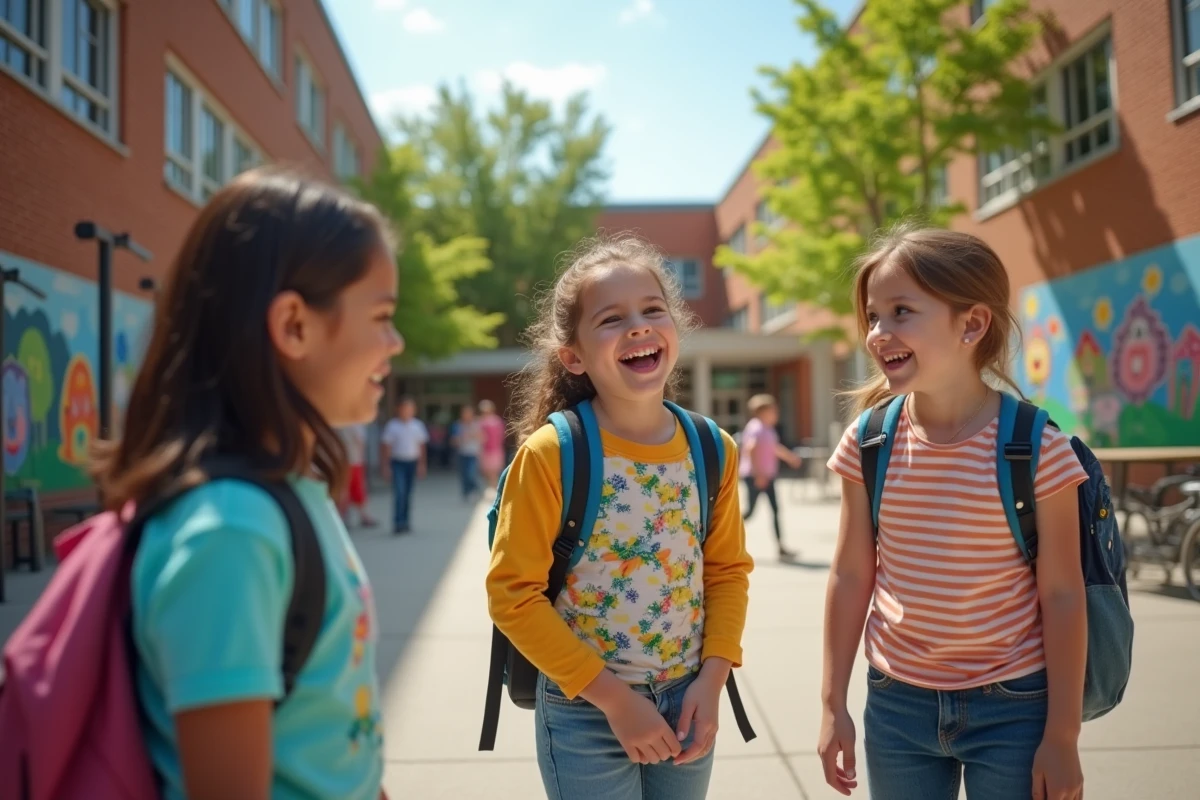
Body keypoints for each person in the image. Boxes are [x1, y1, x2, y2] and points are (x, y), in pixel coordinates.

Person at [89, 168, 401, 800]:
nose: (395, 342)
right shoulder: (231, 528)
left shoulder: (288, 495)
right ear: (293, 326)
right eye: (382, 316)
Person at [818, 225, 1088, 800]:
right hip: (896, 704)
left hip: (1015, 705)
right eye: (872, 316)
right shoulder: (868, 442)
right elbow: (849, 576)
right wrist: (832, 703)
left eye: (900, 312)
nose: (877, 333)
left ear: (971, 323)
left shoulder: (1036, 447)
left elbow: (1063, 593)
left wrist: (1062, 736)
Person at [485, 234, 754, 799]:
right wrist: (614, 700)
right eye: (611, 319)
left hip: (688, 701)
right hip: (586, 711)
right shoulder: (552, 453)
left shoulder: (712, 448)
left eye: (653, 310)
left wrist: (713, 676)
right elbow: (513, 594)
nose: (637, 326)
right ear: (574, 356)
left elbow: (727, 572)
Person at [739, 393, 802, 559]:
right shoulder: (756, 427)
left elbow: (774, 448)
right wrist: (758, 474)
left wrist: (790, 458)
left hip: (767, 476)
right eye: (772, 411)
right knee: (750, 512)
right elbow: (750, 449)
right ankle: (721, 536)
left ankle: (781, 547)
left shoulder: (767, 429)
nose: (776, 414)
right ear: (761, 412)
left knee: (775, 510)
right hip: (757, 476)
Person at [381, 398, 428, 534]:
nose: (406, 412)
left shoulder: (417, 426)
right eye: (404, 409)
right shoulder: (392, 425)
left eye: (409, 409)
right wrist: (385, 466)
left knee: (408, 493)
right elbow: (386, 446)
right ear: (399, 410)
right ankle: (398, 522)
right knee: (399, 492)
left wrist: (422, 464)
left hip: (411, 463)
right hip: (397, 463)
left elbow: (421, 446)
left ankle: (406, 522)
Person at [339, 422, 379, 528]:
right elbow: (360, 441)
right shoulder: (353, 424)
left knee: (349, 489)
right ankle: (361, 516)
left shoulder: (341, 424)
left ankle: (349, 516)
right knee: (354, 489)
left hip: (347, 460)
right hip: (353, 461)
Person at [451, 404, 483, 501]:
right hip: (462, 453)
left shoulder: (477, 425)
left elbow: (483, 438)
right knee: (464, 475)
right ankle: (466, 492)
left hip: (473, 454)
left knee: (471, 474)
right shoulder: (457, 425)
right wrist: (460, 438)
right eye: (465, 413)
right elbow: (453, 441)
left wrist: (473, 435)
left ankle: (474, 489)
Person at [477, 399, 506, 489]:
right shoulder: (497, 421)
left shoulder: (482, 422)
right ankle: (493, 488)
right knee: (492, 472)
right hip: (493, 449)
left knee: (490, 472)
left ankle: (492, 488)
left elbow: (481, 437)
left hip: (491, 450)